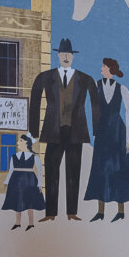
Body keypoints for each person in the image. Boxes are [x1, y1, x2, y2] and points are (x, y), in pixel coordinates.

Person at [28, 38, 100, 222]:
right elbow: (34, 99)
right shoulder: (46, 77)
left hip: (76, 132)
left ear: (73, 57)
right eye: (63, 54)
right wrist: (33, 131)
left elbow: (95, 103)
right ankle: (50, 213)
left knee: (73, 173)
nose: (66, 57)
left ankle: (71, 212)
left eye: (69, 54)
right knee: (51, 171)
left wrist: (96, 130)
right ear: (58, 56)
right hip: (53, 131)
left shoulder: (85, 79)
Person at [84, 58, 129, 222]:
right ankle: (101, 211)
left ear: (110, 69)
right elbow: (93, 110)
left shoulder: (123, 89)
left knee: (119, 169)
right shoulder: (95, 86)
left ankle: (121, 211)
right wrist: (94, 133)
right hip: (102, 132)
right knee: (100, 169)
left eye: (104, 66)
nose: (101, 68)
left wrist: (127, 138)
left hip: (118, 133)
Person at [2, 134, 45, 230]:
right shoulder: (14, 156)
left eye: (20, 141)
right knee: (17, 201)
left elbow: (40, 171)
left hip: (30, 181)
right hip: (16, 181)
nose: (17, 143)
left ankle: (31, 223)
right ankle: (17, 223)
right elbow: (11, 170)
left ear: (26, 142)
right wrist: (6, 182)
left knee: (29, 202)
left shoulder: (35, 157)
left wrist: (40, 184)